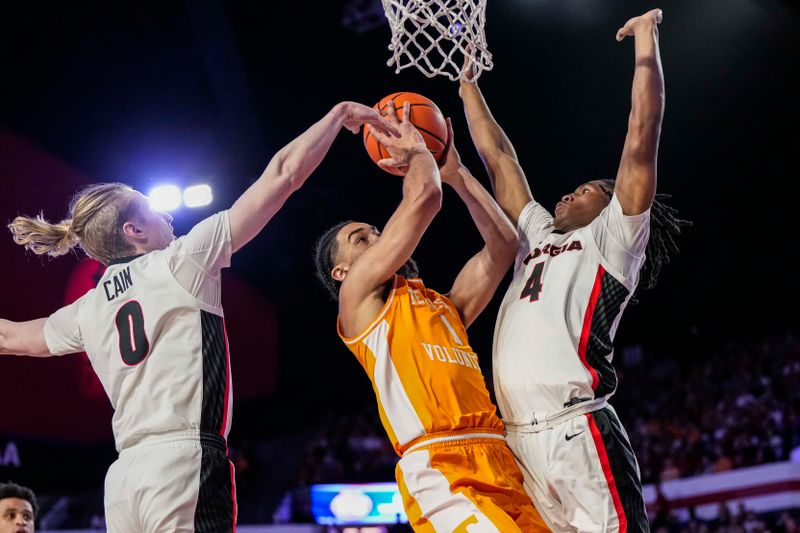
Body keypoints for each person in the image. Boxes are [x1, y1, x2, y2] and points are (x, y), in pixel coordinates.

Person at [0, 101, 397, 532]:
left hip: (124, 479)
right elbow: (283, 174)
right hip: (183, 463)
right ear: (133, 232)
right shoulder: (181, 260)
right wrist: (337, 116)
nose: (166, 214)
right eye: (151, 209)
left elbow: (9, 338)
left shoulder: (87, 308)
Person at [458, 8, 689, 532]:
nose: (567, 192)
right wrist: (468, 84)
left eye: (585, 189)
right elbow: (499, 161)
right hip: (517, 439)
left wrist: (645, 41)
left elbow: (641, 131)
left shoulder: (613, 237)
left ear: (610, 204)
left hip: (576, 429)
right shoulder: (536, 235)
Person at [313, 101, 548, 532]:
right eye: (358, 238)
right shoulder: (359, 299)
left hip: (501, 456)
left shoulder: (443, 307)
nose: (375, 235)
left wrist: (457, 173)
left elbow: (503, 245)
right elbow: (424, 196)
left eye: (375, 230)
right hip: (440, 466)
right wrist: (419, 152)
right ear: (342, 271)